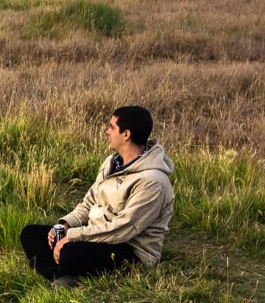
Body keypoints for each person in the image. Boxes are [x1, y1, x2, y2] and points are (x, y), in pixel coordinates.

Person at [19, 105, 174, 280]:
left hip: (129, 249)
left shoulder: (152, 182)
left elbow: (123, 229)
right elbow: (89, 202)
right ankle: (61, 275)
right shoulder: (112, 162)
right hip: (96, 234)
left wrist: (73, 237)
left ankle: (65, 273)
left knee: (71, 252)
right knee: (30, 233)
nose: (107, 131)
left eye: (111, 127)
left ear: (126, 134)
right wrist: (64, 226)